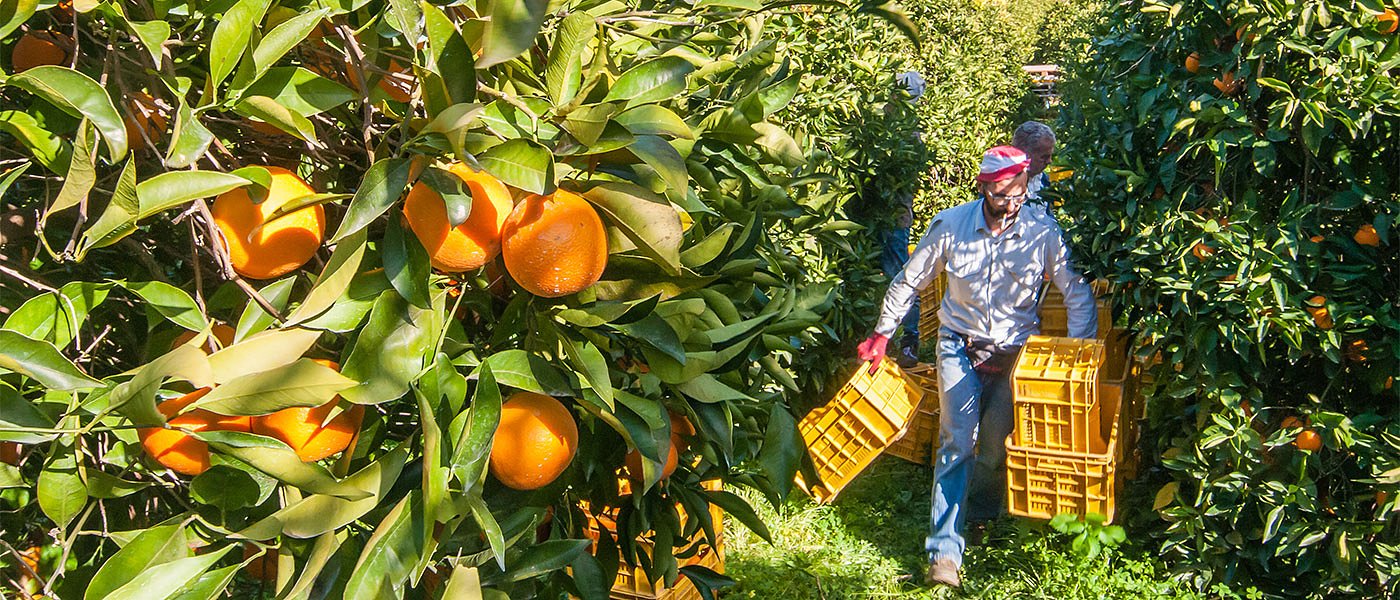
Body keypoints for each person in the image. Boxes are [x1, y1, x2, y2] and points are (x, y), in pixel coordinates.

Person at [855, 145, 1097, 588]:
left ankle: (982, 512)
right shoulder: (951, 225)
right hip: (958, 345)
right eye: (1002, 195)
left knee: (994, 447)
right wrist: (882, 332)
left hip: (1013, 353)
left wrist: (1079, 355)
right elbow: (911, 279)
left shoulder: (1042, 231)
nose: (1010, 205)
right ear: (984, 187)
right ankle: (944, 551)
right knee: (956, 441)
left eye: (1018, 195)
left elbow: (1076, 292)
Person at [869, 70, 928, 367]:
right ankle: (882, 336)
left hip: (894, 219)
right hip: (877, 217)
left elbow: (903, 181)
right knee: (881, 274)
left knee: (901, 277)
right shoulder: (878, 126)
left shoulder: (910, 136)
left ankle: (908, 339)